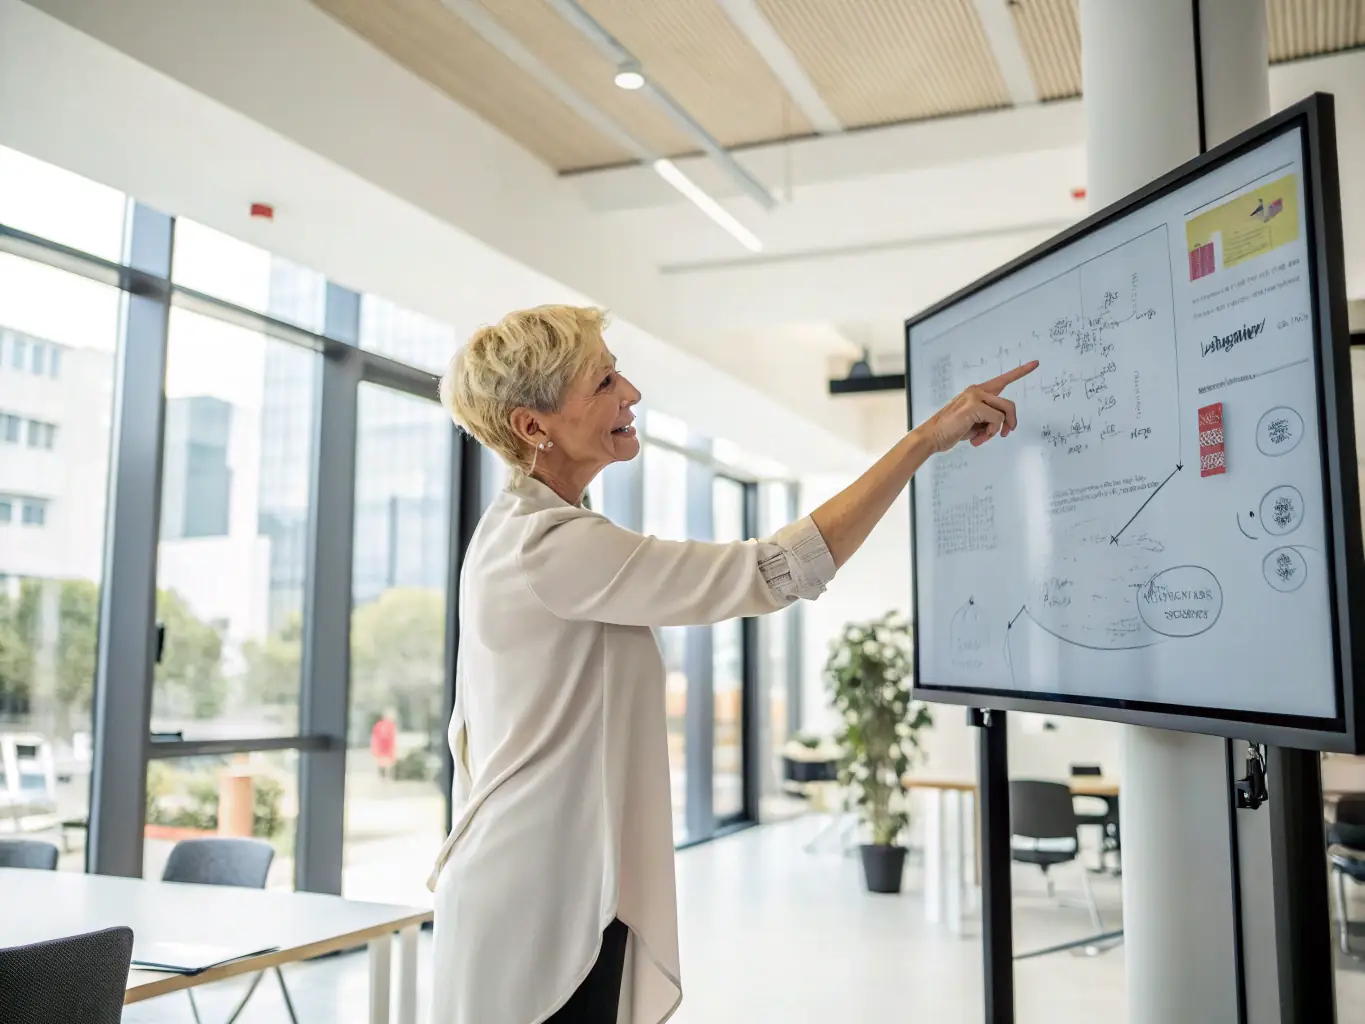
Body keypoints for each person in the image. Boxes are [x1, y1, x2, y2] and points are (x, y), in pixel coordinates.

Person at [429, 305, 1036, 1024]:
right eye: (602, 382)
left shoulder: (521, 535)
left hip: (549, 878)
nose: (631, 392)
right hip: (538, 895)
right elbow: (774, 571)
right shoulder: (546, 546)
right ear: (534, 427)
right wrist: (922, 442)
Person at [370, 709, 397, 779]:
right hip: (381, 749)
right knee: (382, 763)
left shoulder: (391, 726)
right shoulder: (379, 725)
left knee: (386, 764)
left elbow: (393, 738)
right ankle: (383, 775)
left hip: (387, 749)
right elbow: (375, 737)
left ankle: (385, 776)